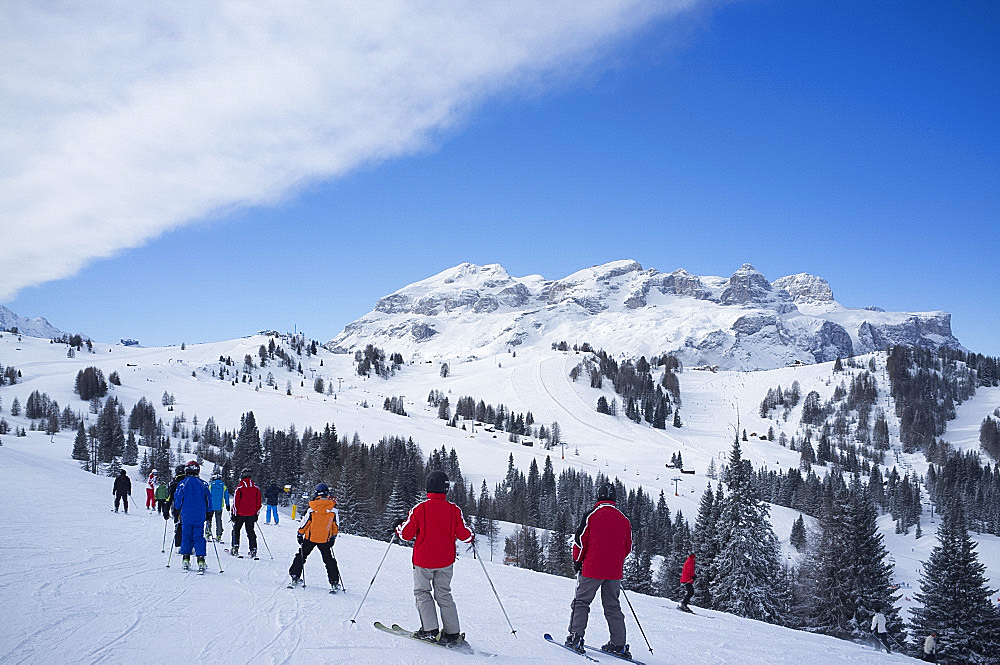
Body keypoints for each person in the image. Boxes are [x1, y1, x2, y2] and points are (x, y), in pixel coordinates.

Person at [394, 470, 474, 645]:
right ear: (445, 489)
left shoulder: (420, 509)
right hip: (445, 561)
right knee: (444, 594)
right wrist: (471, 535)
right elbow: (465, 535)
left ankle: (429, 630)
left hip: (423, 561)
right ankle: (452, 633)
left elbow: (406, 534)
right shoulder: (454, 510)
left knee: (422, 592)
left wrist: (398, 527)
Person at [565, 482, 633, 659]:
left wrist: (577, 561)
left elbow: (580, 542)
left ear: (599, 496)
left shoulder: (592, 515)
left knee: (581, 602)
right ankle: (618, 644)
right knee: (613, 606)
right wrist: (615, 561)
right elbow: (628, 547)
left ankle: (575, 637)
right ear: (614, 498)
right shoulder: (624, 519)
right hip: (614, 572)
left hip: (592, 568)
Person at [288, 483, 341, 591]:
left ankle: (295, 575)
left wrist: (300, 533)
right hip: (325, 539)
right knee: (329, 560)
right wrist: (333, 537)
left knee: (301, 555)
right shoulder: (333, 510)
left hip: (310, 538)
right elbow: (335, 526)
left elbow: (306, 522)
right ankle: (334, 581)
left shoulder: (312, 508)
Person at [173, 460, 212, 573]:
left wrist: (177, 510)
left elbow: (178, 499)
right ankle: (201, 560)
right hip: (199, 515)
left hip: (186, 515)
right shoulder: (203, 484)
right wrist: (209, 513)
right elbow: (209, 500)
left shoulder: (182, 483)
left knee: (186, 536)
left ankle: (186, 559)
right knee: (198, 537)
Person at [231, 468, 262, 558]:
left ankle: (235, 547)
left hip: (240, 514)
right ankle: (253, 549)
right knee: (250, 531)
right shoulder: (256, 488)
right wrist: (256, 513)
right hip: (251, 514)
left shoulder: (239, 488)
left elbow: (236, 502)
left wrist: (234, 514)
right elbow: (258, 502)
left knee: (236, 530)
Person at [164, 464, 186, 548]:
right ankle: (188, 545)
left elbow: (169, 497)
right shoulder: (188, 481)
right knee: (188, 527)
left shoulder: (173, 483)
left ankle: (178, 545)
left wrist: (166, 509)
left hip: (176, 508)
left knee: (178, 526)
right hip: (188, 508)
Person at [205, 471, 230, 542]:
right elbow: (226, 496)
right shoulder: (223, 486)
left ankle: (208, 534)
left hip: (210, 506)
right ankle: (219, 535)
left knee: (209, 520)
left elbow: (207, 495)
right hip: (219, 506)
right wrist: (227, 505)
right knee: (219, 520)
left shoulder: (210, 485)